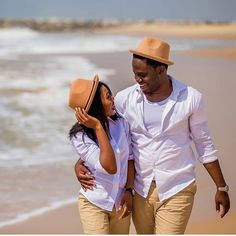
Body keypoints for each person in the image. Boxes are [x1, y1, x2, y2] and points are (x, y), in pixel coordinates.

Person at [74, 38, 230, 234]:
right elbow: (110, 137)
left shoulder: (190, 98)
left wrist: (221, 187)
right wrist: (80, 163)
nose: (137, 79)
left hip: (177, 187)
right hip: (140, 189)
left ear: (161, 70)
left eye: (142, 75)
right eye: (135, 74)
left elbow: (204, 145)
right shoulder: (124, 99)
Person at [68, 75, 135, 234]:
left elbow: (129, 159)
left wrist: (128, 190)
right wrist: (98, 126)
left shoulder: (121, 123)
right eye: (108, 97)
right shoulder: (80, 137)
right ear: (96, 106)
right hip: (94, 202)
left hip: (120, 203)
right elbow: (110, 167)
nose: (113, 99)